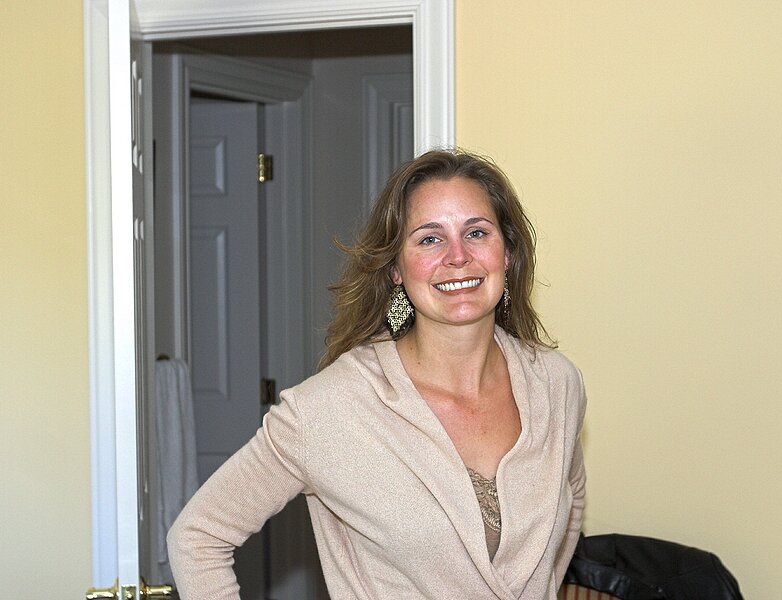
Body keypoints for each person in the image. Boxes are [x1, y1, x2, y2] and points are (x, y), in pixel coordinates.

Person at [167, 149, 587, 599]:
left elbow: (571, 503)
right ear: (395, 270)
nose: (458, 256)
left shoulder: (556, 385)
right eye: (430, 239)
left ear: (508, 254)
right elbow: (197, 538)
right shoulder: (326, 411)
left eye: (477, 233)